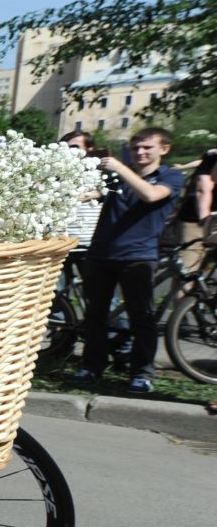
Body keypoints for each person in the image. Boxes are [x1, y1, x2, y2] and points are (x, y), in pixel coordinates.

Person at [75, 126, 183, 393]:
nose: (140, 152)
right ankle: (92, 366)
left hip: (138, 257)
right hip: (101, 254)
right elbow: (92, 194)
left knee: (142, 318)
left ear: (164, 149)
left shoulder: (171, 176)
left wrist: (120, 168)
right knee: (95, 315)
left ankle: (141, 373)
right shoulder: (118, 178)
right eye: (136, 147)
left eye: (147, 147)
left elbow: (150, 195)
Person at [171, 144, 214, 275]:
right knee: (187, 274)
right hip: (197, 221)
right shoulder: (212, 156)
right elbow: (203, 189)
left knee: (202, 273)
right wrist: (206, 221)